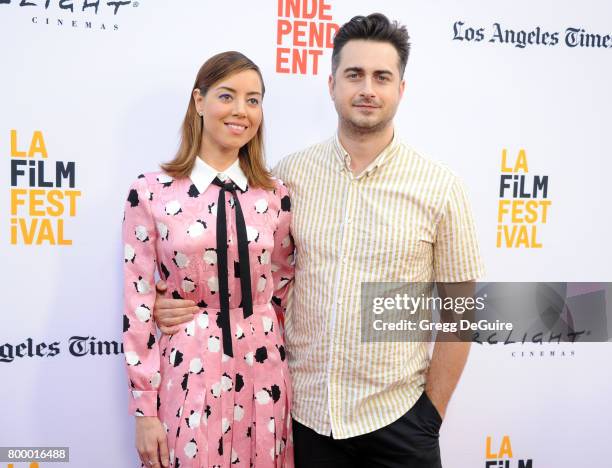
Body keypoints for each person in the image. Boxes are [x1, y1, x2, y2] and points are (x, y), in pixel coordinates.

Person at [153, 13, 484, 468]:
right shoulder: (288, 178)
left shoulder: (440, 187)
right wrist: (171, 301)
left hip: (400, 421)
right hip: (303, 423)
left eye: (382, 77)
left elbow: (460, 309)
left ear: (400, 90)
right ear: (332, 85)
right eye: (354, 75)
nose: (367, 88)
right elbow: (245, 271)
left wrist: (430, 414)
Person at [122, 51, 295, 468]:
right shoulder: (150, 191)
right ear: (198, 101)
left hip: (264, 372)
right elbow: (138, 301)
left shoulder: (275, 194)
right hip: (188, 372)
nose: (241, 110)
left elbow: (284, 282)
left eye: (253, 100)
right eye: (227, 96)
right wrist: (145, 409)